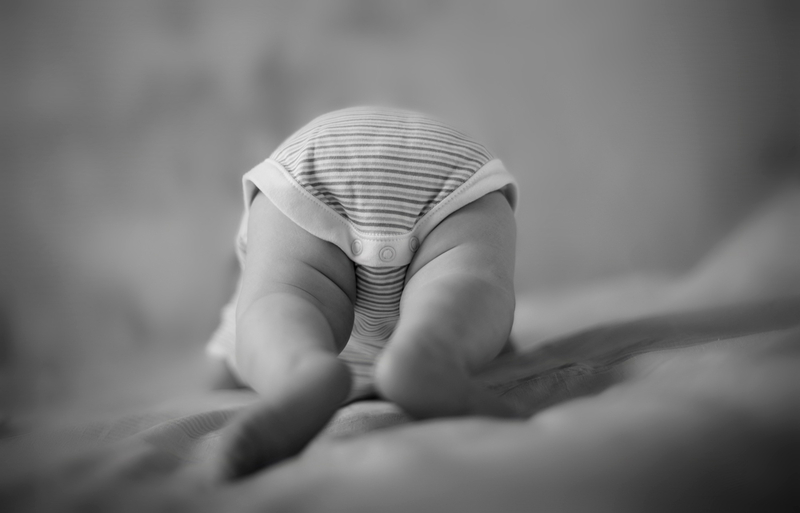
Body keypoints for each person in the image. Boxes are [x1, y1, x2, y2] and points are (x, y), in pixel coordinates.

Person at [206, 106, 519, 479]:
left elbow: (221, 369)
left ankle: (299, 373)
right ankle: (431, 353)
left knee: (281, 298)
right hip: (449, 163)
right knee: (467, 285)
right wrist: (481, 334)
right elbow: (484, 322)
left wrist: (225, 376)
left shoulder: (234, 328)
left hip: (308, 172)